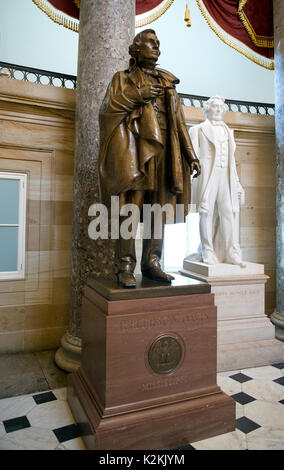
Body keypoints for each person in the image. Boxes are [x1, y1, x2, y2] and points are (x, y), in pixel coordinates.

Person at [98, 29, 201, 287]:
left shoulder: (168, 82)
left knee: (158, 211)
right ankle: (125, 266)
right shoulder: (122, 79)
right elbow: (107, 111)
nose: (156, 47)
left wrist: (191, 155)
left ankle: (152, 263)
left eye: (158, 44)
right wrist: (138, 95)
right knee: (131, 209)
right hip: (136, 150)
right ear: (136, 48)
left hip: (165, 151)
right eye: (151, 43)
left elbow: (179, 122)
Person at [188, 96, 245, 266]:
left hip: (226, 176)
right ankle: (207, 251)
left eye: (221, 107)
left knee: (228, 212)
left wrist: (237, 183)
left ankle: (231, 252)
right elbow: (191, 159)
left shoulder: (228, 131)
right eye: (215, 106)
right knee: (206, 213)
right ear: (207, 109)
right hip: (207, 176)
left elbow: (232, 161)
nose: (219, 109)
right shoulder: (198, 129)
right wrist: (190, 179)